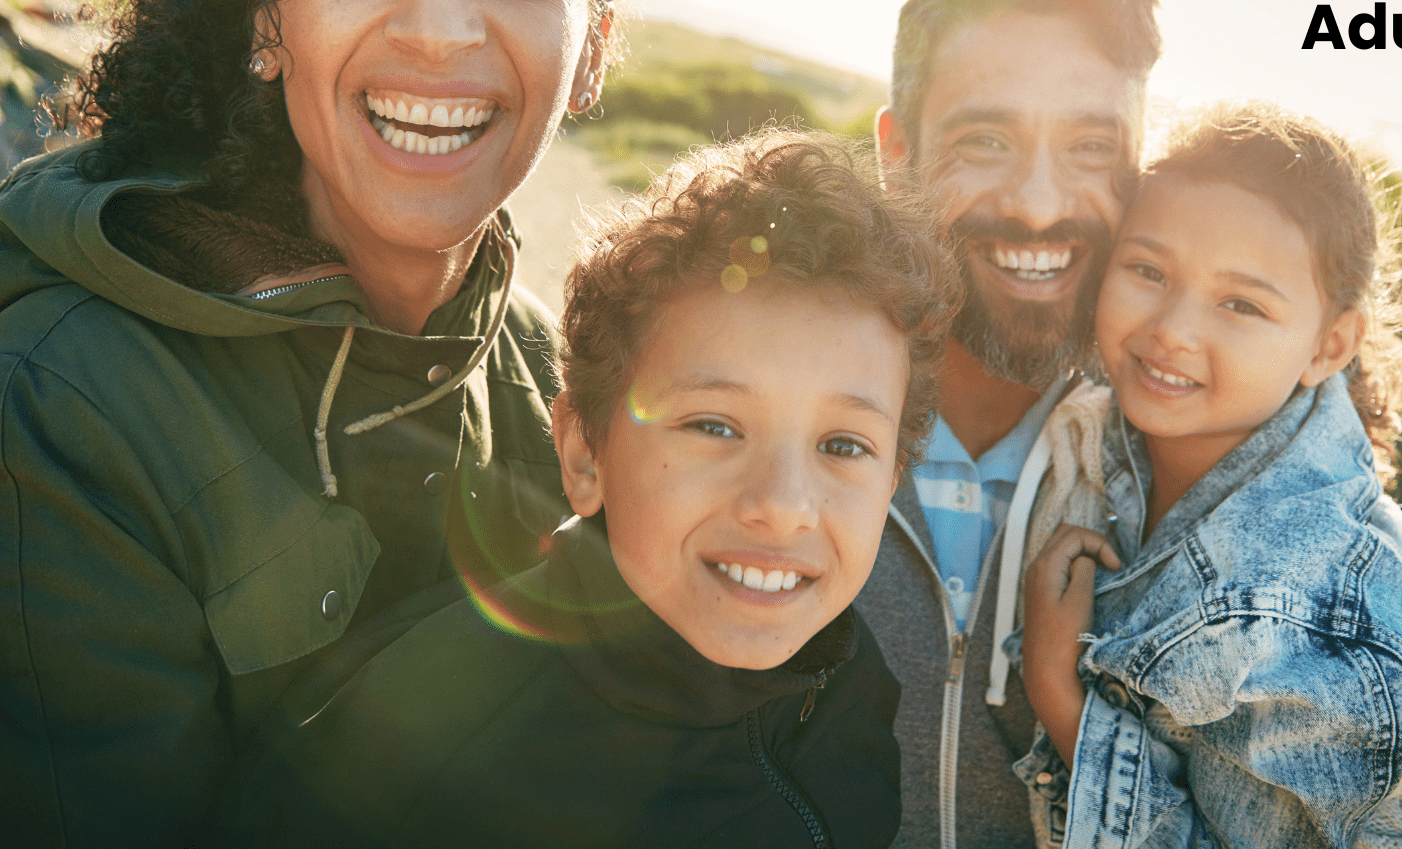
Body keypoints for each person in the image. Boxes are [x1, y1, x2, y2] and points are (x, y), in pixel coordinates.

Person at [0, 0, 653, 847]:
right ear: (264, 16)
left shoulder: (563, 392)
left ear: (592, 53)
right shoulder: (64, 405)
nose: (444, 29)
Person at [207, 131, 961, 847]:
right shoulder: (423, 753)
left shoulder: (849, 686)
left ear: (893, 473)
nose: (784, 502)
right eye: (715, 426)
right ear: (583, 454)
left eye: (843, 445)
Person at [1018, 103, 1402, 847]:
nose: (1173, 327)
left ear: (1328, 344)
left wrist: (1059, 692)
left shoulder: (1313, 615)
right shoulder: (1108, 426)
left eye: (1240, 303)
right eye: (1148, 269)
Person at [860, 0, 1163, 847]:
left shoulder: (1181, 471)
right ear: (897, 153)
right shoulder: (766, 418)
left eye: (1088, 146)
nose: (1039, 203)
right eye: (986, 138)